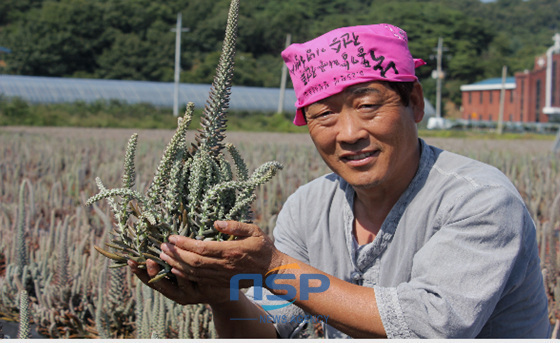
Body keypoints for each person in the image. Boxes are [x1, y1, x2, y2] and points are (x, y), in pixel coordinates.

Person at [128, 23, 552, 338]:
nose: (348, 133)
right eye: (324, 114)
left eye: (368, 105)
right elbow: (274, 326)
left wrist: (274, 267)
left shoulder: (478, 200)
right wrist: (223, 295)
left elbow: (427, 325)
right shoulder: (309, 207)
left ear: (415, 103)